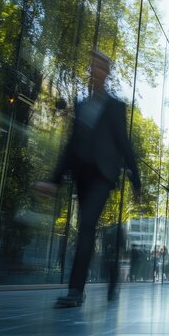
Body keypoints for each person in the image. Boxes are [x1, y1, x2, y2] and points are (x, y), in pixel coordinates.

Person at [35, 50, 141, 307]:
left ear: (107, 73)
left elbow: (124, 144)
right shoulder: (80, 105)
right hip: (81, 177)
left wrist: (136, 181)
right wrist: (53, 180)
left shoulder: (116, 107)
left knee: (86, 226)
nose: (95, 71)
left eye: (100, 67)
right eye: (92, 67)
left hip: (103, 176)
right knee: (87, 228)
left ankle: (75, 291)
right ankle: (110, 272)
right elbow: (70, 147)